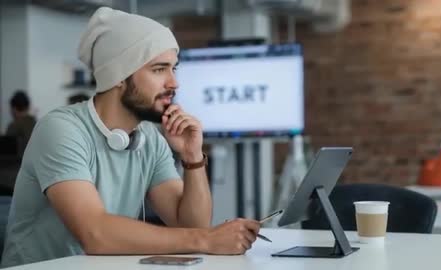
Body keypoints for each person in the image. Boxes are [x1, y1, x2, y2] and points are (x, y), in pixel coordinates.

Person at [1, 7, 260, 267]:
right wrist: (206, 240)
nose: (174, 83)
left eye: (174, 69)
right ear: (118, 77)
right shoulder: (60, 130)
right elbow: (95, 233)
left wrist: (192, 158)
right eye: (160, 69)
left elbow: (190, 225)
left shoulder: (149, 138)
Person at [5, 90, 36, 155]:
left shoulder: (13, 126)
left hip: (17, 164)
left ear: (14, 109)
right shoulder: (36, 124)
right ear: (28, 107)